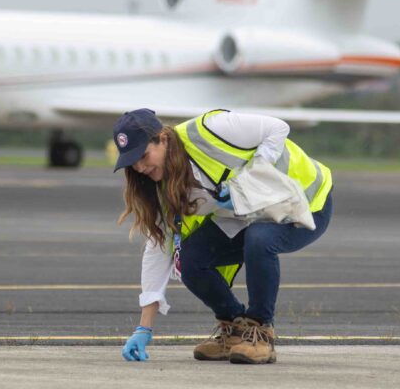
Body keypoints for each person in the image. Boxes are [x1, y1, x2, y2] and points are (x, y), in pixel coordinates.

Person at [113, 108, 334, 365]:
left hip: (306, 204)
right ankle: (236, 329)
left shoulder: (211, 129)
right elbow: (159, 248)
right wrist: (144, 327)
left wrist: (254, 174)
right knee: (190, 260)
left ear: (162, 139)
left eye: (143, 155)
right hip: (250, 216)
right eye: (132, 162)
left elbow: (278, 128)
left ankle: (261, 332)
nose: (140, 167)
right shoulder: (161, 188)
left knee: (259, 238)